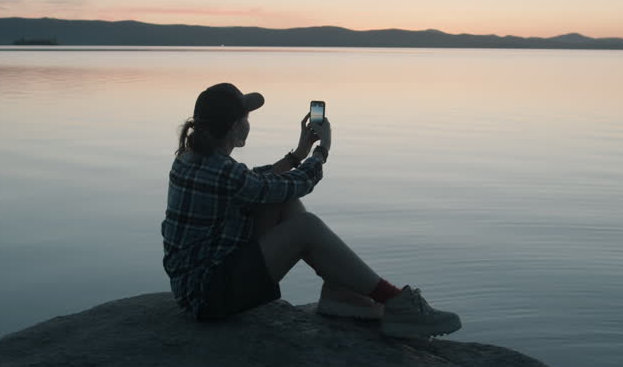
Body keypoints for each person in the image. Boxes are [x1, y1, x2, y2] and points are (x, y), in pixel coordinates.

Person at [161, 82, 462, 338]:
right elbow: (284, 184)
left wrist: (299, 153)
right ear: (235, 126)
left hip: (203, 284)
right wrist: (322, 152)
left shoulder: (193, 159)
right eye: (246, 117)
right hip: (208, 296)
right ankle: (395, 302)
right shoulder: (221, 170)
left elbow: (256, 183)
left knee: (282, 200)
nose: (249, 122)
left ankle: (340, 291)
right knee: (305, 226)